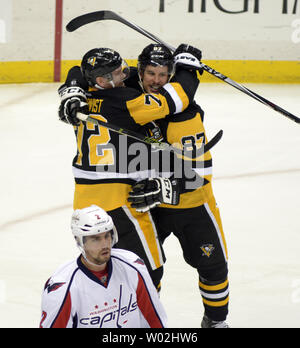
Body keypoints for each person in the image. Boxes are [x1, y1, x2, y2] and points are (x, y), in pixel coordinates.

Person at [57, 45, 202, 292]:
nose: (125, 73)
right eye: (117, 72)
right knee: (150, 270)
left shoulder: (79, 103)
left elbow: (77, 69)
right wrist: (188, 68)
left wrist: (70, 90)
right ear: (102, 80)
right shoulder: (128, 101)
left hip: (84, 199)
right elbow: (174, 100)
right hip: (119, 201)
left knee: (104, 265)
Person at [127, 44, 229, 328]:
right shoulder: (131, 99)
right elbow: (92, 77)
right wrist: (72, 86)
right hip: (149, 207)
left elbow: (199, 174)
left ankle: (216, 322)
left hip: (191, 205)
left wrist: (161, 187)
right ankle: (142, 323)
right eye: (150, 73)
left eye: (163, 74)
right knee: (145, 271)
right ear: (140, 71)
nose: (156, 80)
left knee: (213, 268)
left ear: (171, 75)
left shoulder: (185, 115)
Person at [39, 205, 167, 328]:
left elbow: (154, 319)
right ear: (80, 241)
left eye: (107, 236)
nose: (105, 244)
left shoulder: (132, 266)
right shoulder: (63, 287)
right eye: (96, 239)